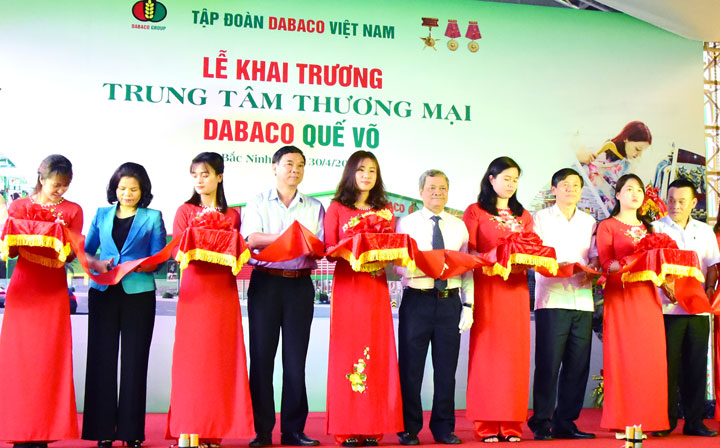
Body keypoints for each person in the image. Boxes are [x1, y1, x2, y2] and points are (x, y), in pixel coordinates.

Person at [167, 152, 253, 447]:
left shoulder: (233, 215)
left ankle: (214, 432)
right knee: (192, 361)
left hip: (222, 292)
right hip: (194, 292)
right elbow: (176, 251)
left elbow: (239, 252)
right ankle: (188, 430)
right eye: (195, 175)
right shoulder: (185, 211)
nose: (199, 180)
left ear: (219, 176)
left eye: (205, 174)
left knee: (219, 361)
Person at [241, 146, 324, 448]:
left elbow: (318, 246)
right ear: (274, 167)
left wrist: (282, 240)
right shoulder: (257, 202)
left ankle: (294, 430)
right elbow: (252, 239)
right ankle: (262, 431)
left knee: (295, 361)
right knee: (261, 359)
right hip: (266, 283)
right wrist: (292, 237)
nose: (294, 170)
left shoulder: (314, 206)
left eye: (300, 165)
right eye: (288, 164)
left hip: (299, 286)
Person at [82, 162, 167, 448]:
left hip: (138, 293)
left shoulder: (153, 217)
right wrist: (97, 264)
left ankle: (131, 432)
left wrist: (139, 266)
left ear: (143, 191)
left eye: (133, 189)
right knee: (101, 359)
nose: (127, 194)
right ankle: (103, 430)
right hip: (103, 291)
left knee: (134, 361)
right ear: (114, 189)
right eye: (121, 188)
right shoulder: (101, 214)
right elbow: (86, 252)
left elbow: (159, 258)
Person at [0, 155, 83, 448]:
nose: (60, 190)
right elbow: (10, 251)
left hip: (53, 290)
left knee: (49, 361)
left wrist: (57, 237)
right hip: (23, 289)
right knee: (19, 362)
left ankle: (44, 433)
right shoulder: (18, 207)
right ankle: (19, 430)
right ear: (41, 177)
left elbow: (71, 253)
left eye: (65, 185)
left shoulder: (73, 210)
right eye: (55, 184)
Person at [324, 150, 403, 446]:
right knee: (347, 351)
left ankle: (372, 427)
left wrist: (381, 252)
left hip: (375, 286)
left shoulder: (385, 210)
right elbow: (329, 250)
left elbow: (392, 250)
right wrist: (354, 247)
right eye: (360, 170)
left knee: (377, 352)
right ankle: (346, 428)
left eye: (372, 170)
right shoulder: (336, 208)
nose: (366, 175)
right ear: (350, 173)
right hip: (348, 286)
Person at [395, 169, 474, 445]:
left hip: (449, 302)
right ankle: (408, 428)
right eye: (431, 188)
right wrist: (423, 266)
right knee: (410, 369)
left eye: (442, 188)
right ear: (421, 192)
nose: (437, 193)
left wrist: (469, 305)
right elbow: (397, 264)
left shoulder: (459, 226)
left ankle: (443, 427)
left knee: (446, 371)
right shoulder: (406, 224)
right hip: (417, 300)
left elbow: (467, 268)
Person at [462, 156, 533, 443]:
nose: (511, 184)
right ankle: (487, 424)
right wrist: (495, 257)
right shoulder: (475, 211)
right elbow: (469, 253)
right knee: (488, 355)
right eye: (506, 178)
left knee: (514, 357)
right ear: (491, 179)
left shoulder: (523, 215)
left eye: (515, 179)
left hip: (516, 291)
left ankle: (512, 424)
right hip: (488, 289)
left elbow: (532, 249)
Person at [595, 173, 669, 432]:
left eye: (639, 190)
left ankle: (650, 419)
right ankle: (622, 420)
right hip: (621, 297)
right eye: (629, 189)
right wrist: (635, 259)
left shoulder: (651, 228)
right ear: (617, 195)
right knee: (623, 358)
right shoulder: (607, 226)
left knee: (649, 358)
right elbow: (606, 265)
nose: (635, 194)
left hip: (648, 298)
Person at [528, 168, 597, 441]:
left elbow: (595, 256)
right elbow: (533, 255)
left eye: (576, 185)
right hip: (551, 298)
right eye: (565, 184)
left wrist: (591, 269)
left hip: (582, 300)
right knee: (548, 363)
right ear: (554, 189)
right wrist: (558, 266)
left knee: (577, 365)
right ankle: (541, 422)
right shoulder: (540, 218)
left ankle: (566, 422)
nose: (571, 189)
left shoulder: (589, 221)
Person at [651, 177, 719, 437]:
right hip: (667, 310)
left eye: (681, 201)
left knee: (696, 366)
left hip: (698, 309)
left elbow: (712, 265)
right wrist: (664, 284)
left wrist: (709, 288)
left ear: (693, 203)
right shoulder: (656, 228)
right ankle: (665, 421)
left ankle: (694, 421)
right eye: (671, 200)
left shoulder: (705, 231)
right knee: (668, 368)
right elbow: (650, 266)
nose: (675, 206)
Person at [576, 121, 652, 213]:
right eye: (638, 149)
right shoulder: (592, 153)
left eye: (642, 151)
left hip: (611, 215)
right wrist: (579, 158)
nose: (639, 154)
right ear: (626, 138)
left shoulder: (628, 167)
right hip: (587, 209)